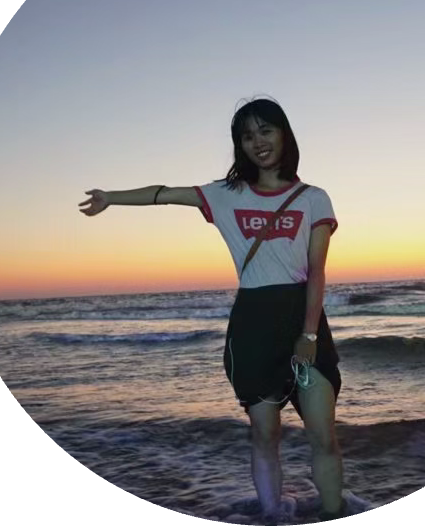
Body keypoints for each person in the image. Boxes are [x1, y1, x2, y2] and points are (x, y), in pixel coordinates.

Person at [79, 96, 347, 522]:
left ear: (284, 134)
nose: (258, 142)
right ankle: (273, 517)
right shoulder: (226, 194)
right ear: (240, 145)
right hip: (253, 328)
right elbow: (165, 194)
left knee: (324, 436)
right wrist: (111, 197)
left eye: (266, 130)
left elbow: (316, 272)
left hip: (303, 322)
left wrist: (309, 334)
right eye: (247, 136)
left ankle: (334, 512)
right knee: (265, 434)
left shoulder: (313, 198)